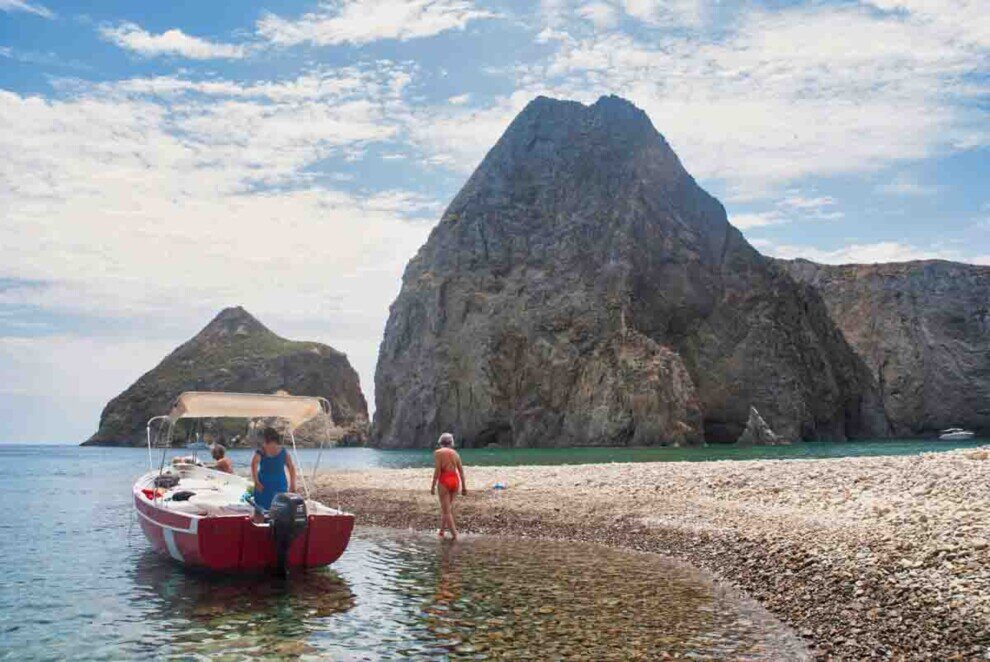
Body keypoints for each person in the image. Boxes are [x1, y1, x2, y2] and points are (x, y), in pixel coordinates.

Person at [251, 427, 297, 512]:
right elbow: (291, 468)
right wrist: (293, 484)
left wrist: (256, 481)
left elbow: (254, 464)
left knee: (260, 510)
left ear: (265, 437)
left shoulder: (262, 450)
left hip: (264, 483)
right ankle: (277, 524)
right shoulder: (283, 450)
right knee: (280, 510)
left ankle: (260, 525)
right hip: (280, 483)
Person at [431, 432, 466, 540]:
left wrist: (432, 485)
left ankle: (455, 536)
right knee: (448, 509)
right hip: (455, 480)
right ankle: (441, 532)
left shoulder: (438, 452)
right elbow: (461, 472)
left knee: (446, 511)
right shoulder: (456, 454)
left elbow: (437, 471)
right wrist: (464, 487)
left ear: (440, 442)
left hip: (444, 479)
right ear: (451, 443)